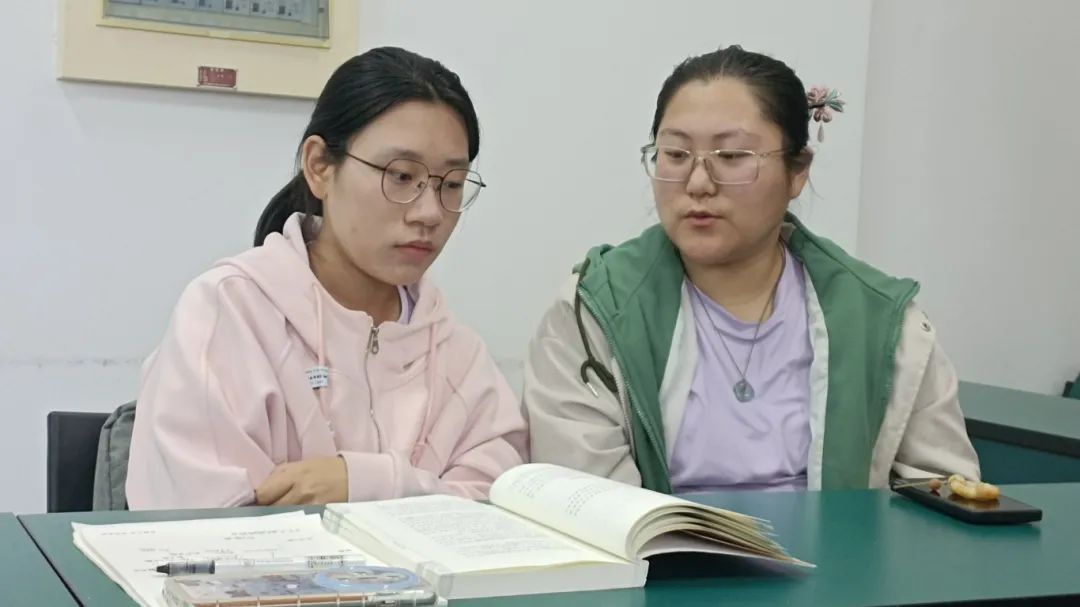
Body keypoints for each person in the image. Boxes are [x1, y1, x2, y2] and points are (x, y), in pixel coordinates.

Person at [523, 45, 978, 493]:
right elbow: (588, 503)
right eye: (676, 155)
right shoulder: (596, 309)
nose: (698, 183)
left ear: (797, 171)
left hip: (839, 545)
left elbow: (944, 495)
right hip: (660, 545)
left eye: (732, 157)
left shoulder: (881, 321)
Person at [126, 47, 528, 509]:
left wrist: (368, 483)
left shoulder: (460, 357)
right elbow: (197, 525)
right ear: (319, 166)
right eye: (401, 176)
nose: (430, 212)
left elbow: (506, 512)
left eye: (452, 184)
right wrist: (419, 498)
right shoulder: (229, 316)